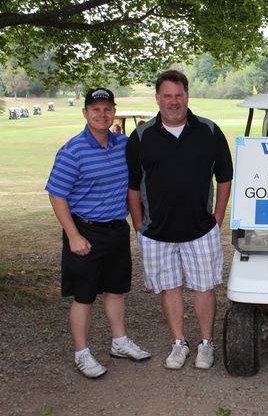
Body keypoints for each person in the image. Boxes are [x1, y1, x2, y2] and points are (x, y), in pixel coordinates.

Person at [126, 70, 233, 370]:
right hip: (156, 231)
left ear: (187, 96)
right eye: (167, 96)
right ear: (158, 98)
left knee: (204, 287)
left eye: (179, 95)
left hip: (201, 229)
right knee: (169, 287)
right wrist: (139, 225)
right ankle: (179, 343)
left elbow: (225, 177)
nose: (173, 101)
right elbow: (132, 186)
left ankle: (206, 344)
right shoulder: (142, 136)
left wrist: (218, 217)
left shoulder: (209, 131)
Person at [45, 87, 151, 379]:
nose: (102, 115)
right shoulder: (73, 150)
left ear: (114, 112)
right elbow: (56, 195)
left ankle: (119, 342)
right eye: (95, 110)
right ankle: (81, 353)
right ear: (85, 113)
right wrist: (73, 235)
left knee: (116, 290)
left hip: (116, 229)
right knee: (84, 296)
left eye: (107, 109)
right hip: (84, 231)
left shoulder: (123, 144)